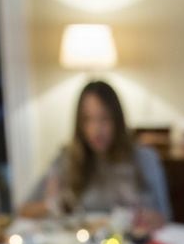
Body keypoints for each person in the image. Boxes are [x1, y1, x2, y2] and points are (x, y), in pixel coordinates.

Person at [21, 80, 171, 232]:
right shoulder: (67, 159)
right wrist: (52, 204)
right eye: (87, 119)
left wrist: (151, 218)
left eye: (104, 118)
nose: (96, 130)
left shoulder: (144, 158)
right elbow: (24, 210)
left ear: (117, 120)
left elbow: (165, 218)